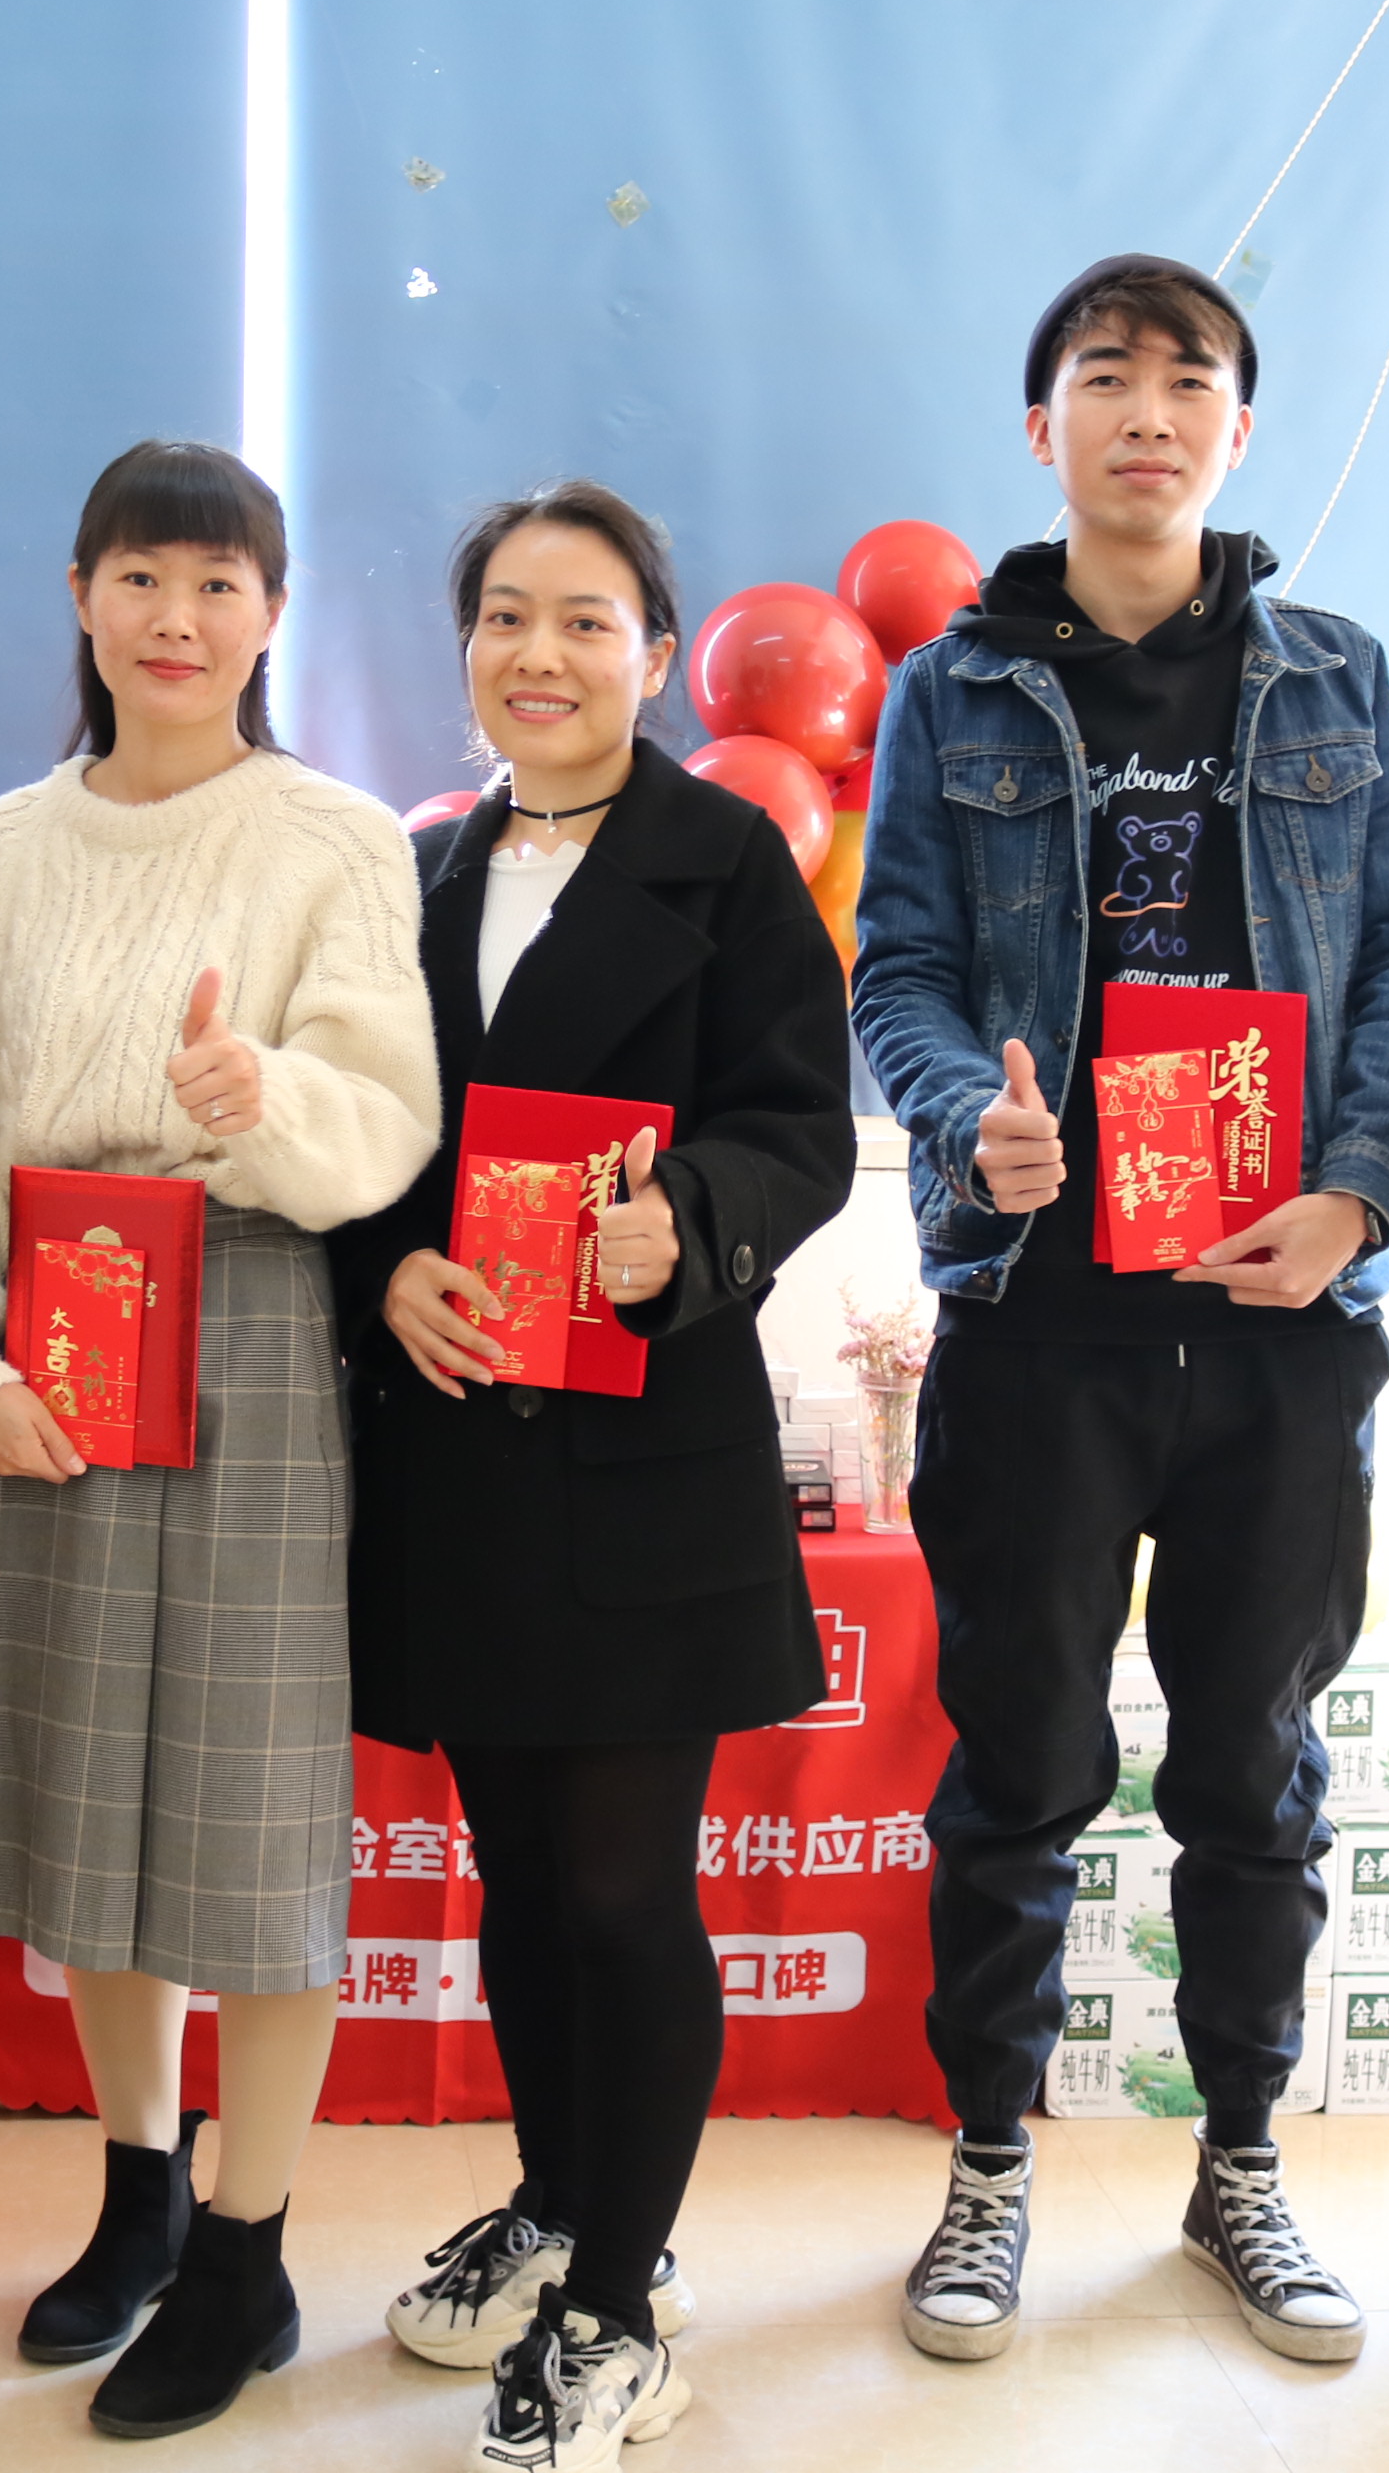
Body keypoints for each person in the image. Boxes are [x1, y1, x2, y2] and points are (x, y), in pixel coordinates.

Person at [850, 254, 1389, 2367]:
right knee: (1019, 1761)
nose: (1147, 410)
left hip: (1285, 1320)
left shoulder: (1336, 676)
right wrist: (969, 1122)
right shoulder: (954, 688)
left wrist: (1357, 1190)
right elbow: (901, 971)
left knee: (1252, 1770)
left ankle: (1242, 2167)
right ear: (1044, 429)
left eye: (1188, 379)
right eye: (1103, 376)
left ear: (1237, 429)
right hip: (1043, 1320)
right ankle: (987, 2162)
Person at [0, 440, 439, 2442]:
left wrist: (254, 1092)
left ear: (273, 614)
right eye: (141, 576)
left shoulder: (334, 836)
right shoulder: (4, 847)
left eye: (219, 583)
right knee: (80, 1799)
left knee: (248, 1809)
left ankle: (247, 2244)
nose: (178, 618)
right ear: (81, 596)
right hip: (47, 1325)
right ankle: (137, 2187)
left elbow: (386, 1117)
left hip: (248, 1324)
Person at [333, 482, 852, 2468]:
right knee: (524, 1879)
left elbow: (798, 1127)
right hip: (460, 1449)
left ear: (653, 650)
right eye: (503, 615)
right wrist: (389, 1273)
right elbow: (359, 1142)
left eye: (584, 619)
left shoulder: (727, 860)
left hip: (644, 1450)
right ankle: (561, 2200)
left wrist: (688, 1220)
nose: (537, 653)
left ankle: (623, 2305)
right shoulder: (415, 873)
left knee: (628, 1891)